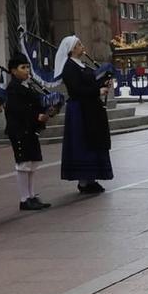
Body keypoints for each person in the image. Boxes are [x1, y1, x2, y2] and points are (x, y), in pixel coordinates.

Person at [55, 36, 113, 193]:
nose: (82, 46)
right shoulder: (69, 67)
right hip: (80, 110)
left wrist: (103, 82)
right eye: (79, 44)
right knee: (83, 143)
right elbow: (76, 89)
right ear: (72, 49)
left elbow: (91, 81)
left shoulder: (82, 64)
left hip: (91, 108)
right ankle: (83, 181)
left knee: (93, 142)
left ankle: (91, 178)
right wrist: (97, 90)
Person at [3, 53, 52, 211]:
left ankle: (31, 195)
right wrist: (36, 116)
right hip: (19, 130)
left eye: (27, 67)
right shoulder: (13, 89)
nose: (27, 70)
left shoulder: (28, 86)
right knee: (23, 163)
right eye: (22, 67)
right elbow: (18, 110)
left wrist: (47, 109)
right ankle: (24, 198)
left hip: (30, 129)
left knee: (32, 162)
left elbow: (36, 102)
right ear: (13, 71)